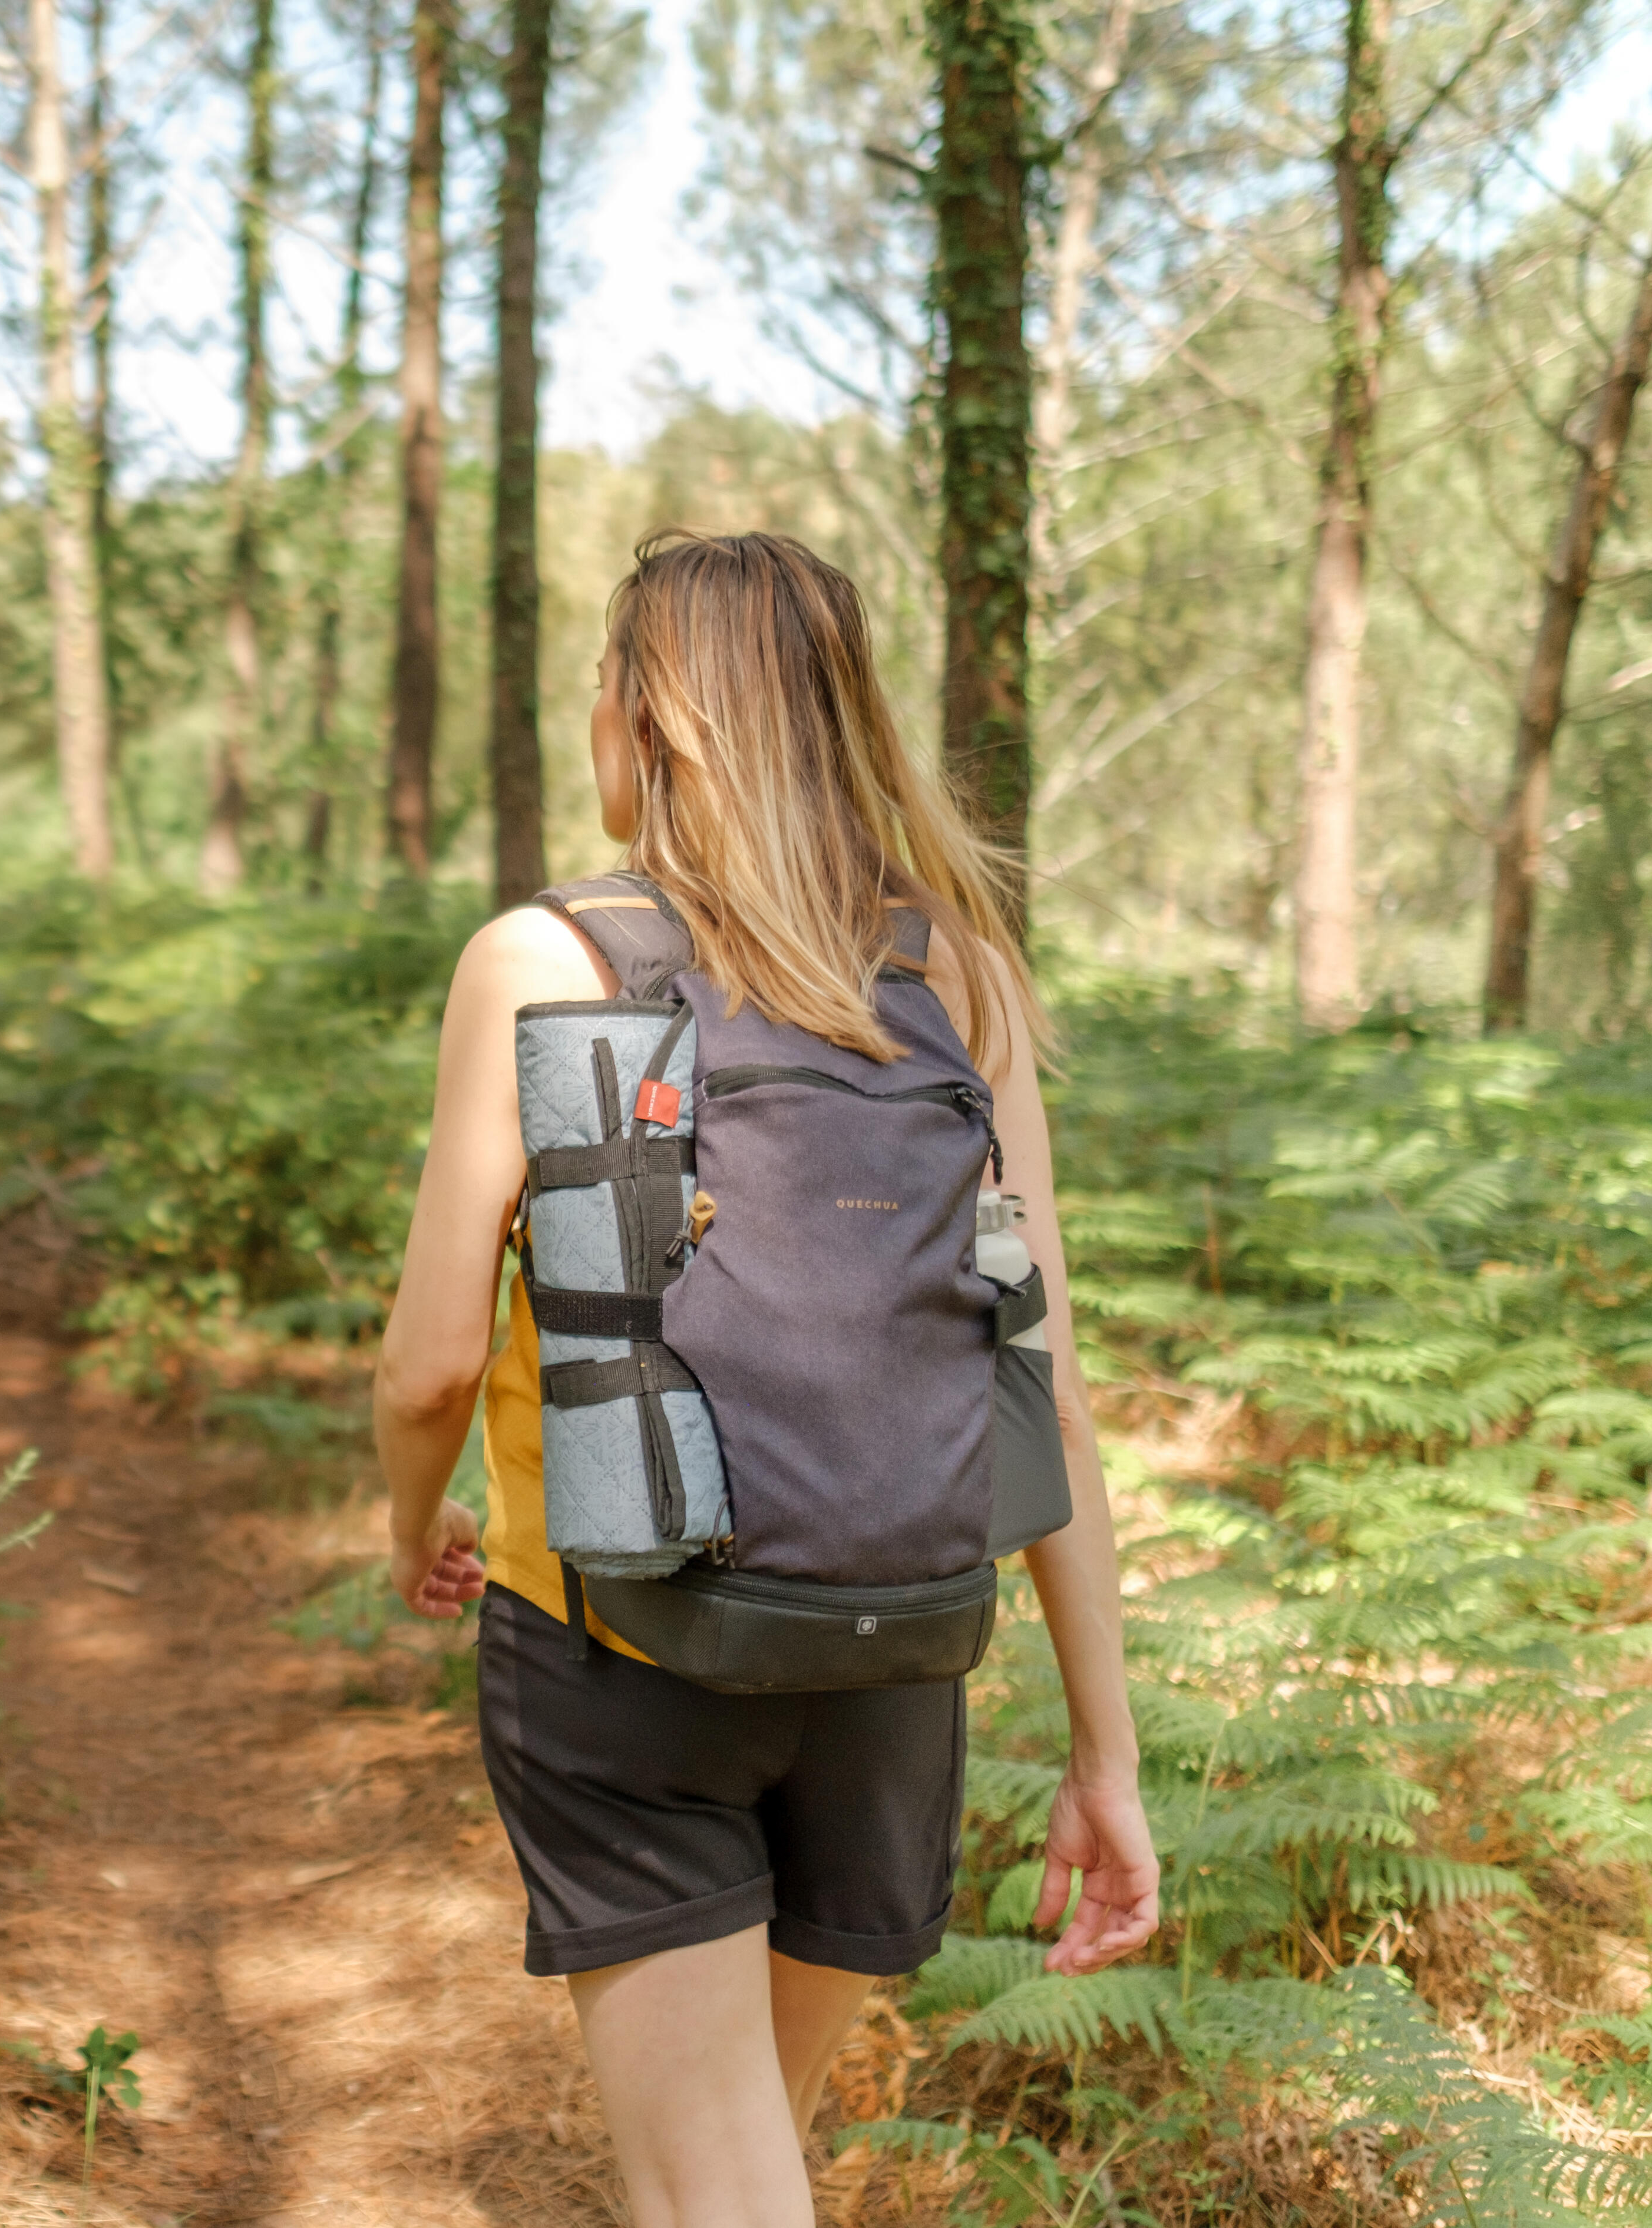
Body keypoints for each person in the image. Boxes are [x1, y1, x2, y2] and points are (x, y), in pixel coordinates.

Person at [370, 531, 1159, 2228]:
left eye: (602, 680)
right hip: (899, 1654)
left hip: (620, 1633)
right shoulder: (956, 977)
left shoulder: (550, 959)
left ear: (650, 717)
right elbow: (1047, 1383)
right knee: (748, 2159)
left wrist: (403, 1520)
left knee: (715, 2189)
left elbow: (434, 1356)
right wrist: (1108, 1746)